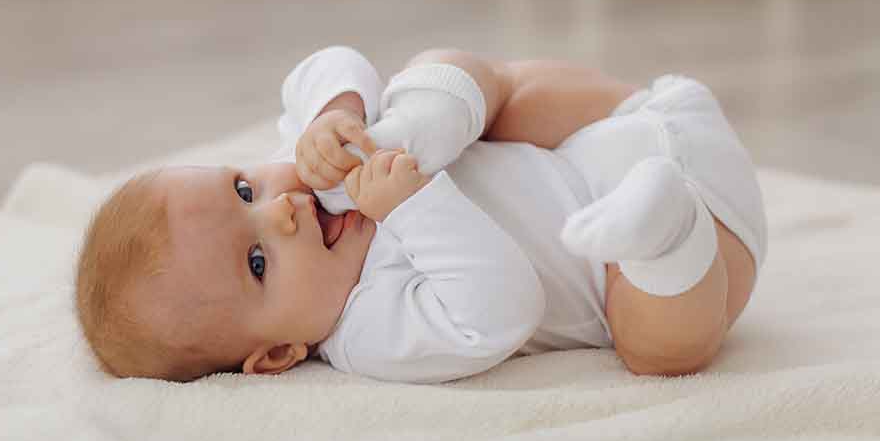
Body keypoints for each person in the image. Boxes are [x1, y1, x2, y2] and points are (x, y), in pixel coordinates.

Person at [75, 46, 765, 383]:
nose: (282, 210)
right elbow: (503, 309)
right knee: (655, 347)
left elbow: (328, 63)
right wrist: (412, 204)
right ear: (280, 353)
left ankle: (441, 111)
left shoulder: (313, 162)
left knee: (476, 88)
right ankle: (663, 226)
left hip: (618, 126)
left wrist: (338, 111)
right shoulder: (368, 332)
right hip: (697, 254)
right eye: (257, 264)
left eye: (241, 191)